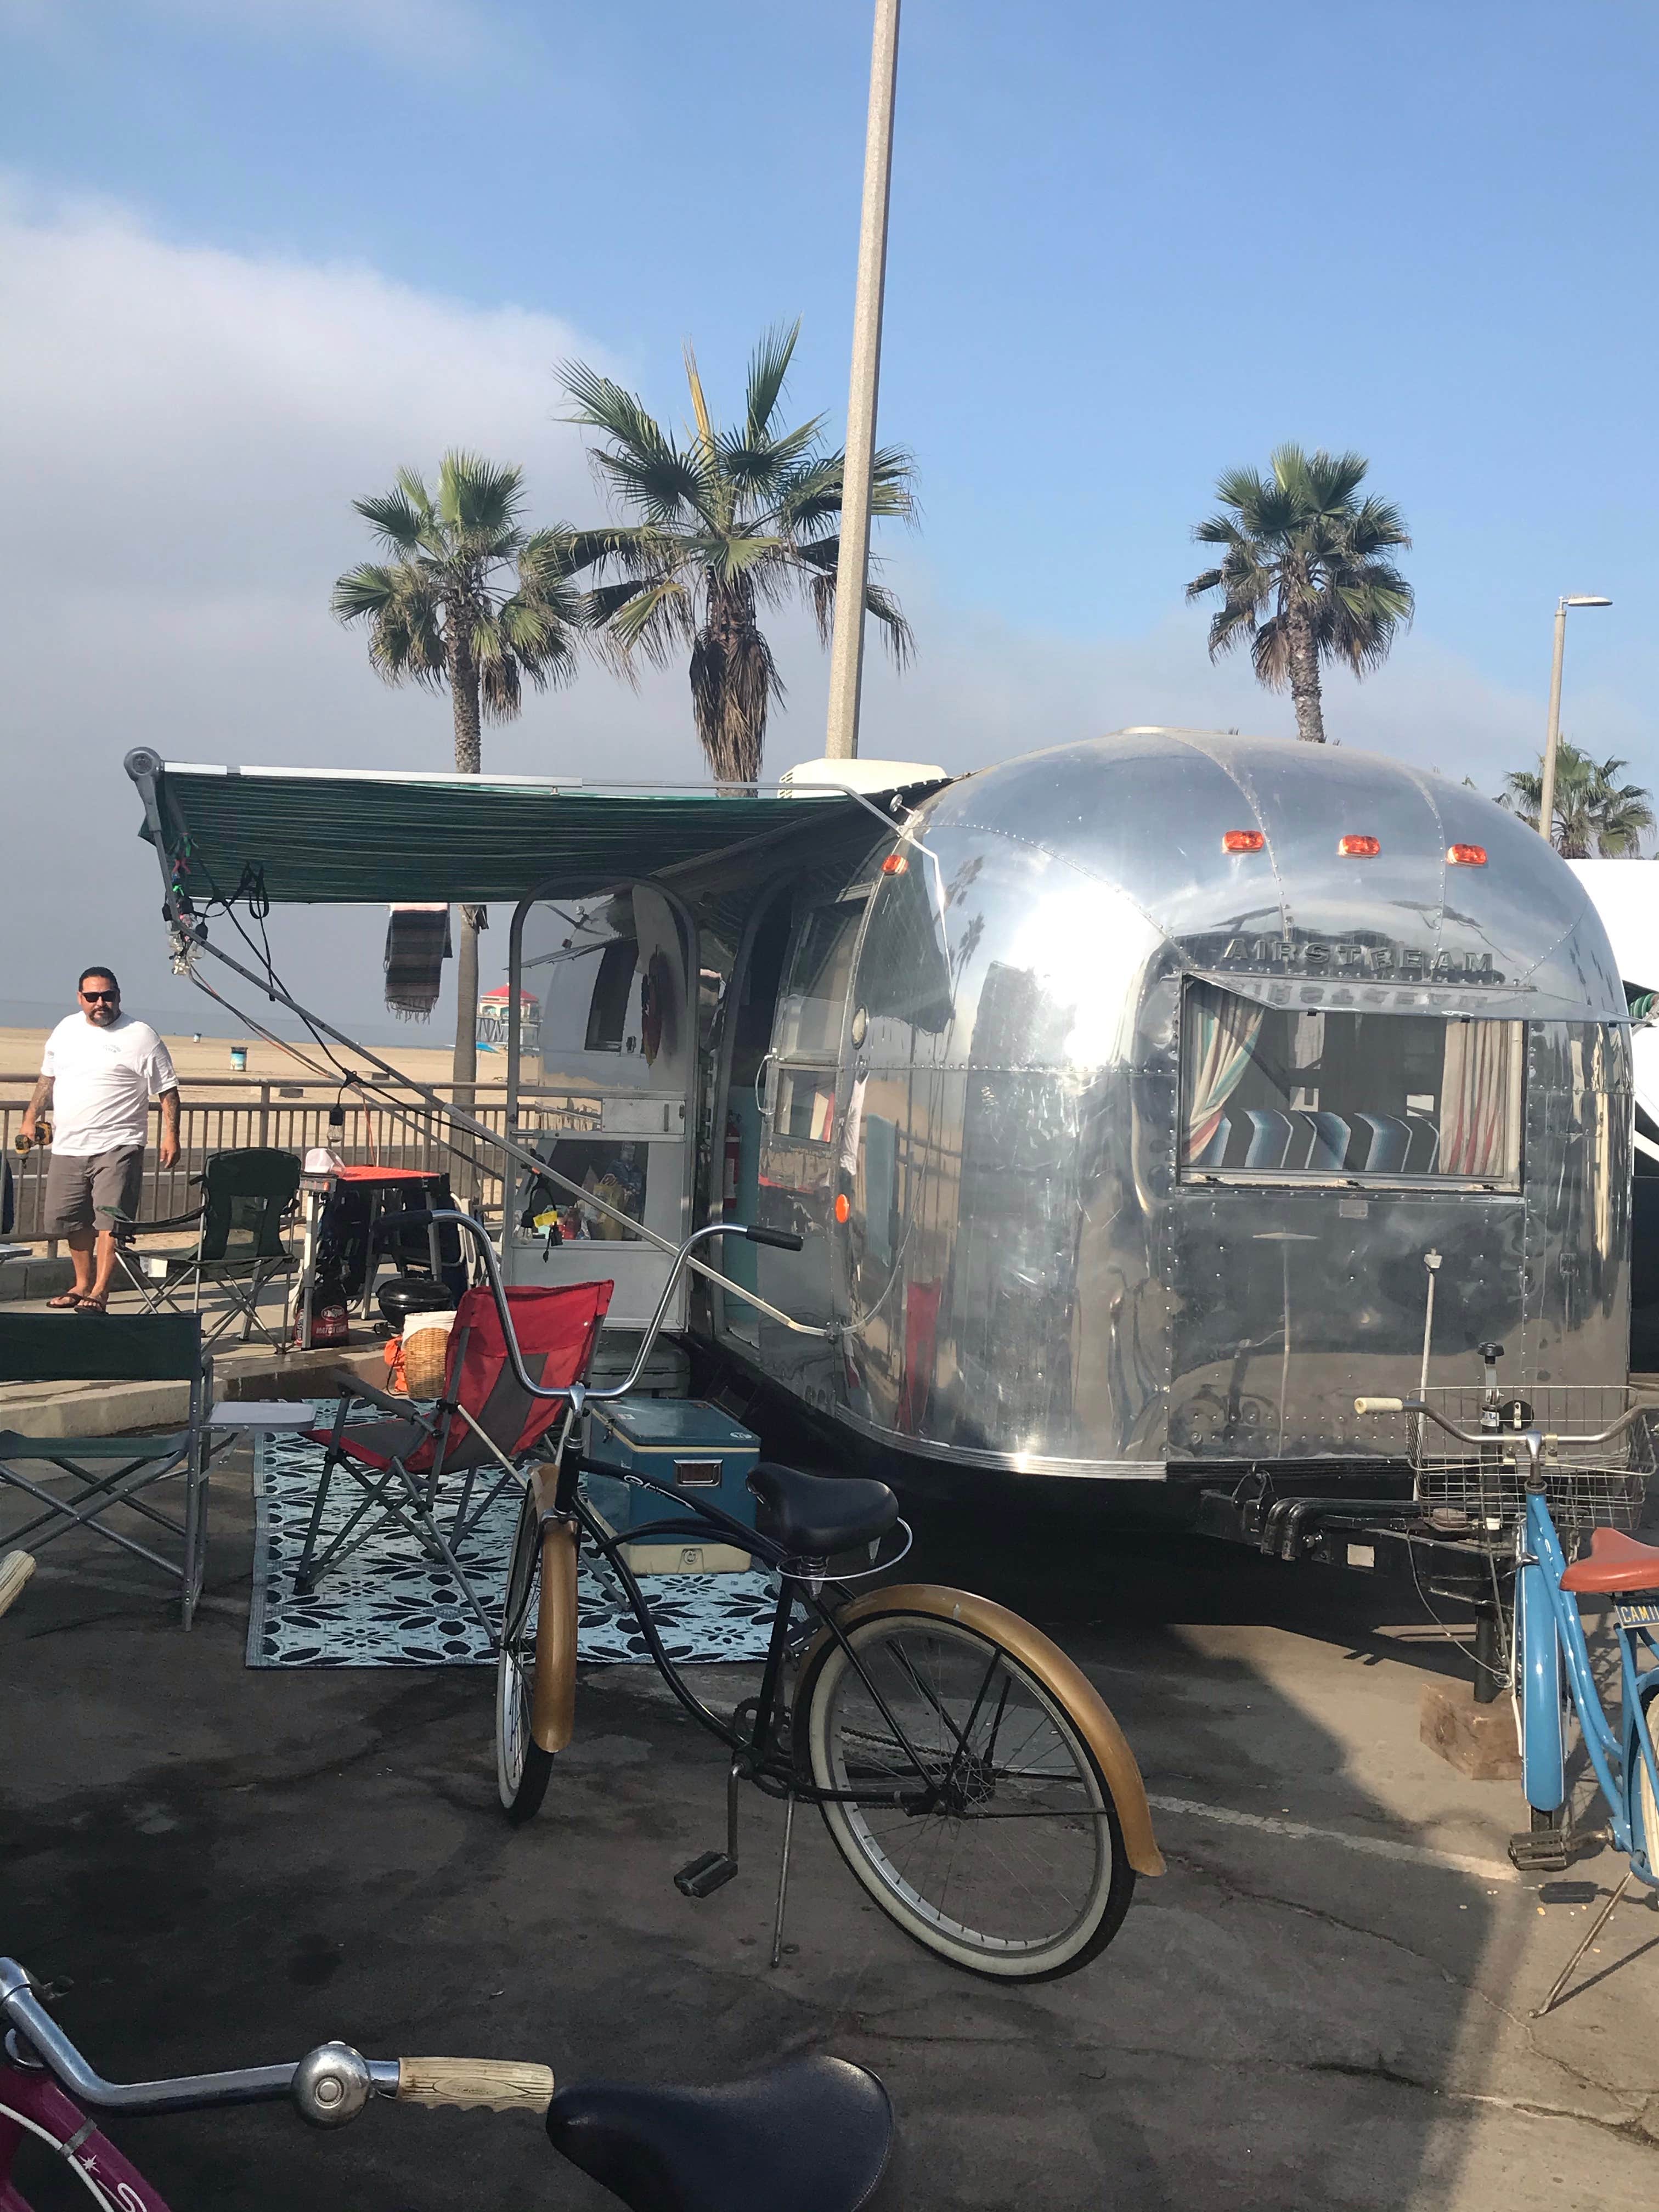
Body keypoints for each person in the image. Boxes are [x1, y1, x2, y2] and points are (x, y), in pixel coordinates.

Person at [20, 968, 180, 1314]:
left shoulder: (141, 1036)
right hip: (69, 1145)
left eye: (107, 996)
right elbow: (47, 1078)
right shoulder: (65, 1030)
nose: (100, 1003)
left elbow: (167, 1090)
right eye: (92, 997)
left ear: (119, 996)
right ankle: (81, 1283)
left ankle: (101, 1291)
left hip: (119, 1144)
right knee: (71, 1219)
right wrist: (30, 1118)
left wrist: (171, 1135)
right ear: (80, 998)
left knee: (110, 1220)